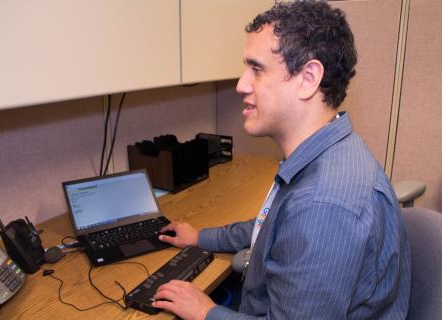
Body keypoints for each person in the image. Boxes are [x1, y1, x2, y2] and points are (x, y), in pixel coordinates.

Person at [153, 1, 411, 319]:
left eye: (256, 69)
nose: (241, 85)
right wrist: (200, 236)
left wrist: (206, 312)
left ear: (308, 78)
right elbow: (274, 226)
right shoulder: (325, 154)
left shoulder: (323, 203)